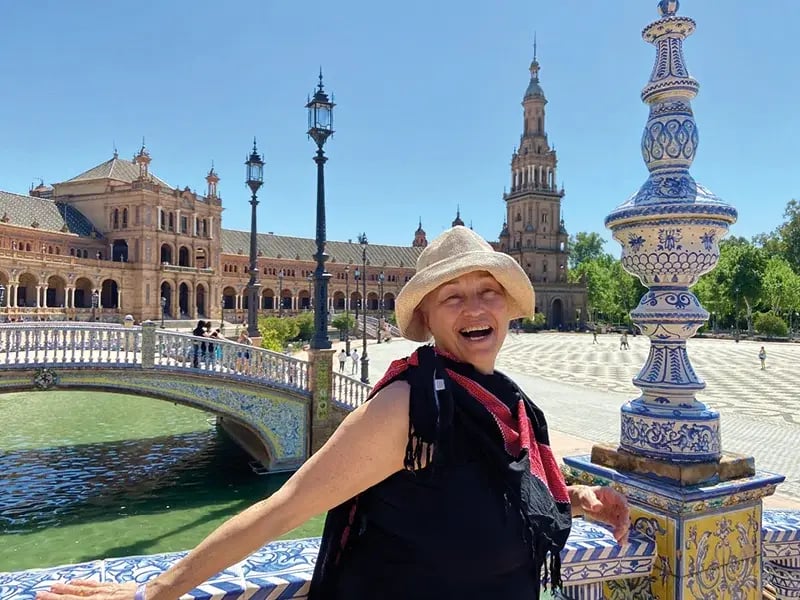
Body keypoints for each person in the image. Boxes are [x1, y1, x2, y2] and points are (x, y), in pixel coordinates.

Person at [37, 226, 629, 600]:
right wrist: (154, 592)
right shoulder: (409, 406)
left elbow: (502, 483)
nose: (475, 307)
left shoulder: (509, 400)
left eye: (488, 291)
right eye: (453, 296)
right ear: (426, 317)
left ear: (508, 307)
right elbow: (283, 509)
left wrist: (578, 499)